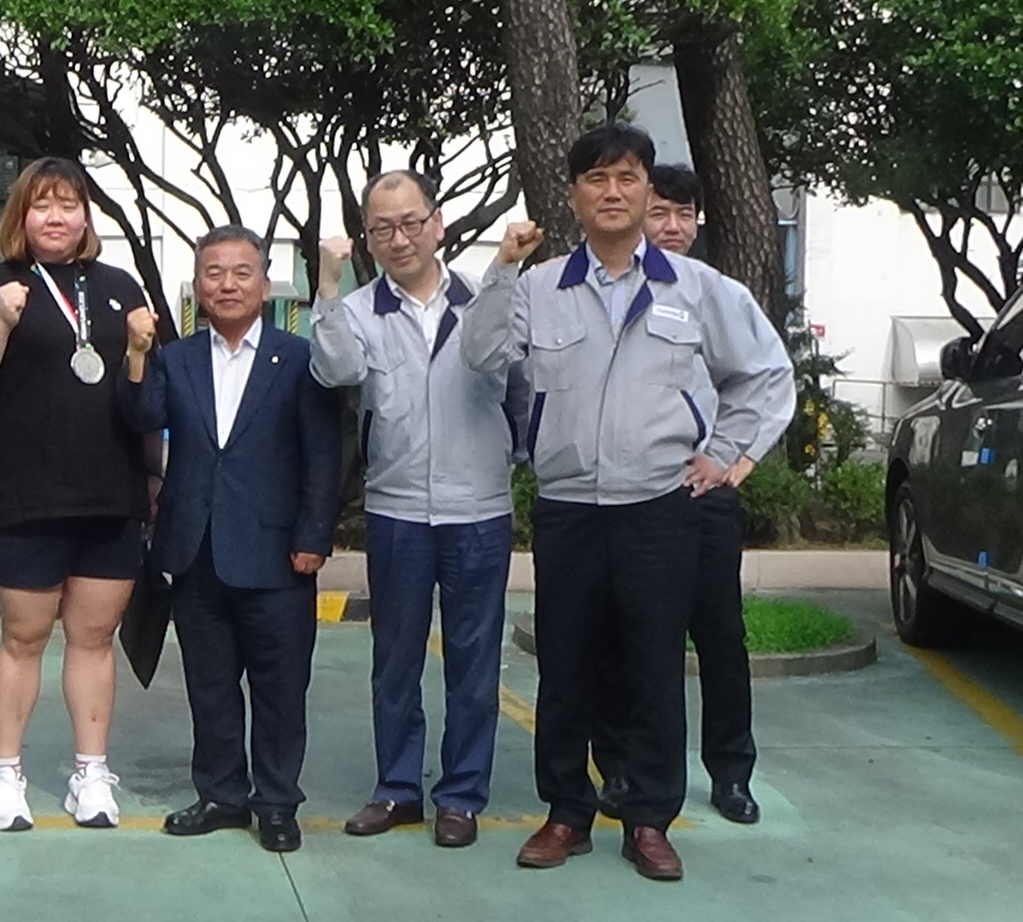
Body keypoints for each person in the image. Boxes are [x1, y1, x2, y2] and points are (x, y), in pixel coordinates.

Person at [459, 123, 793, 881]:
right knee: (565, 667)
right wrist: (502, 268)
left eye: (627, 177)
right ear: (574, 195)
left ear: (647, 192)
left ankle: (648, 820)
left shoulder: (697, 288)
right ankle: (566, 814)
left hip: (658, 506)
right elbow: (480, 353)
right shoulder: (540, 287)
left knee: (653, 668)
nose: (612, 192)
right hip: (569, 507)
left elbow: (766, 374)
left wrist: (727, 455)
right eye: (597, 179)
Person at [309, 171, 530, 850]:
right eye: (382, 228)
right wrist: (327, 284)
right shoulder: (358, 310)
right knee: (395, 658)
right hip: (398, 509)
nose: (399, 238)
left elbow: (516, 383)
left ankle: (461, 795)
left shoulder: (488, 298)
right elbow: (335, 371)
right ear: (368, 239)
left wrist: (512, 457)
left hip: (478, 509)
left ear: (438, 225)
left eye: (410, 223)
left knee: (474, 661)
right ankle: (397, 788)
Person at [0, 156, 150, 831]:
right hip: (28, 494)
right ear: (21, 215)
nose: (56, 217)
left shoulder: (119, 287)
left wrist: (141, 354)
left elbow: (149, 393)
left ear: (86, 216)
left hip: (111, 494)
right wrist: (2, 323)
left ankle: (91, 773)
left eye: (69, 204)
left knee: (94, 637)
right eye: (42, 205)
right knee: (23, 637)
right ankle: (5, 776)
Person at [123, 226, 339, 853]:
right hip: (195, 551)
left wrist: (314, 535)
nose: (227, 284)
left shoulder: (299, 359)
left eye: (242, 273)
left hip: (279, 554)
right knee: (209, 685)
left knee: (280, 690)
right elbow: (141, 418)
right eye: (213, 273)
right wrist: (136, 355)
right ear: (198, 286)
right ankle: (221, 794)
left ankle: (277, 802)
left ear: (265, 285)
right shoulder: (176, 357)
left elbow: (323, 456)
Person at [591, 163, 789, 826]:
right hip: (626, 498)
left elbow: (768, 375)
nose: (672, 226)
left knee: (720, 638)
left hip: (700, 498)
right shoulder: (605, 293)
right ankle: (620, 767)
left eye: (684, 214)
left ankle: (731, 772)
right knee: (624, 640)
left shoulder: (714, 293)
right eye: (660, 212)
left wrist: (733, 459)